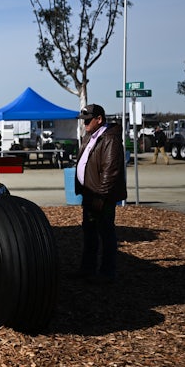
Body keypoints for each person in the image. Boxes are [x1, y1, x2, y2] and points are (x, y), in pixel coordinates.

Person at [72, 104, 127, 284]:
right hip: (90, 195)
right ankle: (88, 269)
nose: (85, 124)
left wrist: (101, 197)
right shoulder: (91, 136)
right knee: (90, 233)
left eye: (88, 120)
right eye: (83, 121)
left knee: (106, 233)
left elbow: (110, 171)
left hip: (101, 197)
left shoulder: (110, 139)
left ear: (99, 119)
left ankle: (107, 273)